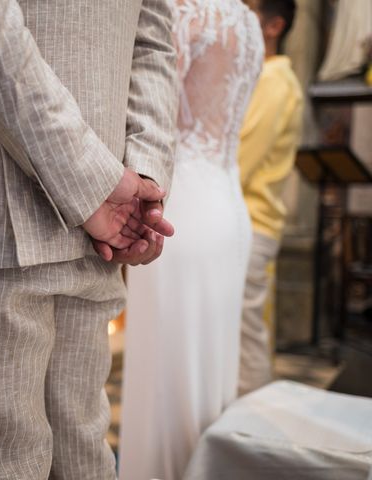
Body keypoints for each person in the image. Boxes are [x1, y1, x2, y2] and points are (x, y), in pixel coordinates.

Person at [0, 0, 178, 478]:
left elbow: (153, 37)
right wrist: (92, 180)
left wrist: (145, 176)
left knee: (86, 467)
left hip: (95, 235)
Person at [118, 1, 264, 479]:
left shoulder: (182, 10)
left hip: (184, 209)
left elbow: (149, 107)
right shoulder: (246, 22)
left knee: (167, 375)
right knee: (209, 374)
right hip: (228, 206)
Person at [238, 0, 303, 395]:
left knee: (247, 336)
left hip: (252, 221)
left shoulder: (275, 81)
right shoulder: (260, 77)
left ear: (274, 25)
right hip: (247, 220)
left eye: (250, 9)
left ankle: (251, 432)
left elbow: (240, 160)